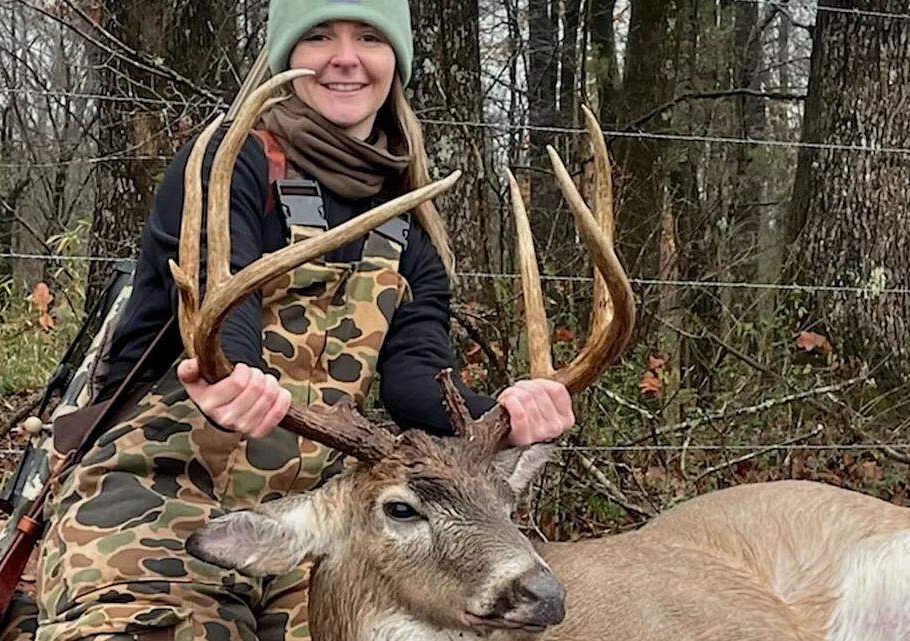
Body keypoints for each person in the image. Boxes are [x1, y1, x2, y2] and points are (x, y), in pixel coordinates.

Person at [33, 2, 575, 641]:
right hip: (154, 497)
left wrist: (509, 415)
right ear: (286, 54)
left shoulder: (408, 223)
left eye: (368, 37)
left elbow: (416, 381)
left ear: (395, 60)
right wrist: (237, 376)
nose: (345, 58)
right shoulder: (227, 163)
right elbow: (223, 293)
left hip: (322, 519)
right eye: (319, 35)